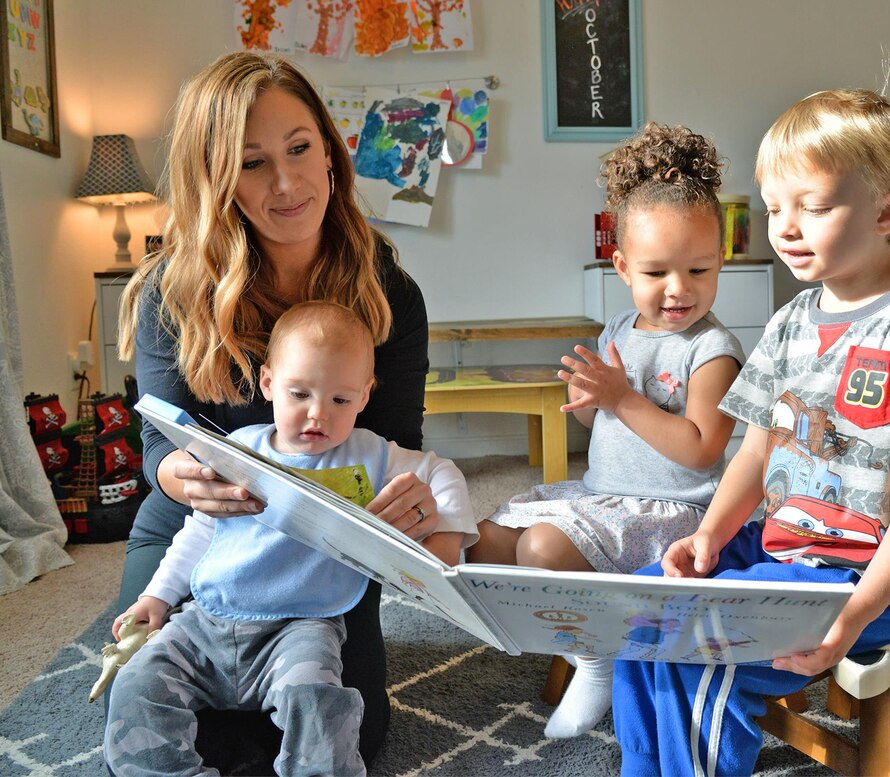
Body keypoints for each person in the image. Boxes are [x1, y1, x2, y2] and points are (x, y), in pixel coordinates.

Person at [612, 84, 890, 776]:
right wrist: (708, 536)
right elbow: (755, 450)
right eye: (773, 207)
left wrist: (851, 618)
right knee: (643, 606)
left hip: (868, 575)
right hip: (784, 548)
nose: (784, 227)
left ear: (889, 211)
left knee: (708, 648)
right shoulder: (791, 322)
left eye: (811, 207)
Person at [114, 51, 434, 768]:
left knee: (348, 730)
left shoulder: (390, 294)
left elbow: (396, 442)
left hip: (325, 541)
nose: (287, 182)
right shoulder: (174, 289)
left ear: (329, 151)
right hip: (192, 534)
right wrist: (180, 477)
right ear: (216, 175)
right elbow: (156, 447)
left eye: (299, 149)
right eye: (253, 163)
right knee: (140, 715)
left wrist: (408, 503)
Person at [105, 302, 476, 775]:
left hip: (301, 628)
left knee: (322, 703)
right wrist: (157, 596)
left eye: (341, 401)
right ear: (267, 384)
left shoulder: (373, 456)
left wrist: (443, 543)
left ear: (364, 396)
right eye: (299, 394)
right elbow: (200, 530)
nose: (318, 414)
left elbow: (440, 472)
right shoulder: (241, 449)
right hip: (207, 620)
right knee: (136, 684)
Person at [466, 122, 745, 738]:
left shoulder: (714, 350)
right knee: (479, 541)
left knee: (540, 549)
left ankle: (597, 658)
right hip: (602, 495)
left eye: (699, 269)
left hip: (673, 512)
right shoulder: (618, 329)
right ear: (621, 267)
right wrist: (588, 397)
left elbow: (701, 452)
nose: (679, 289)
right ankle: (571, 635)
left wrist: (621, 398)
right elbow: (596, 421)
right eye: (656, 273)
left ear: (720, 259)